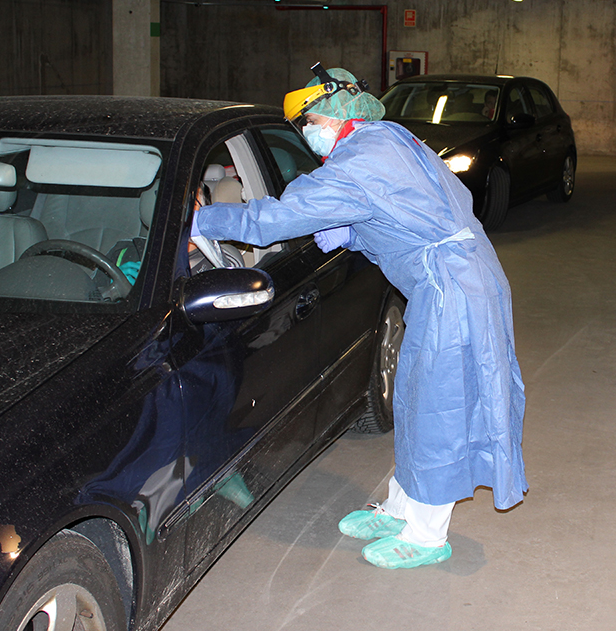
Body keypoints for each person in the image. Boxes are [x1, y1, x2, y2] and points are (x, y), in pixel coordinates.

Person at [193, 64, 527, 569]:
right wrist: (358, 232)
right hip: (455, 279)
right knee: (414, 399)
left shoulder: (357, 163)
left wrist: (201, 219)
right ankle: (401, 507)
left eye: (309, 120)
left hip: (455, 289)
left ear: (333, 114)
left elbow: (273, 219)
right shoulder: (385, 137)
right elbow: (412, 207)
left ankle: (427, 535)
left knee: (440, 408)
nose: (308, 132)